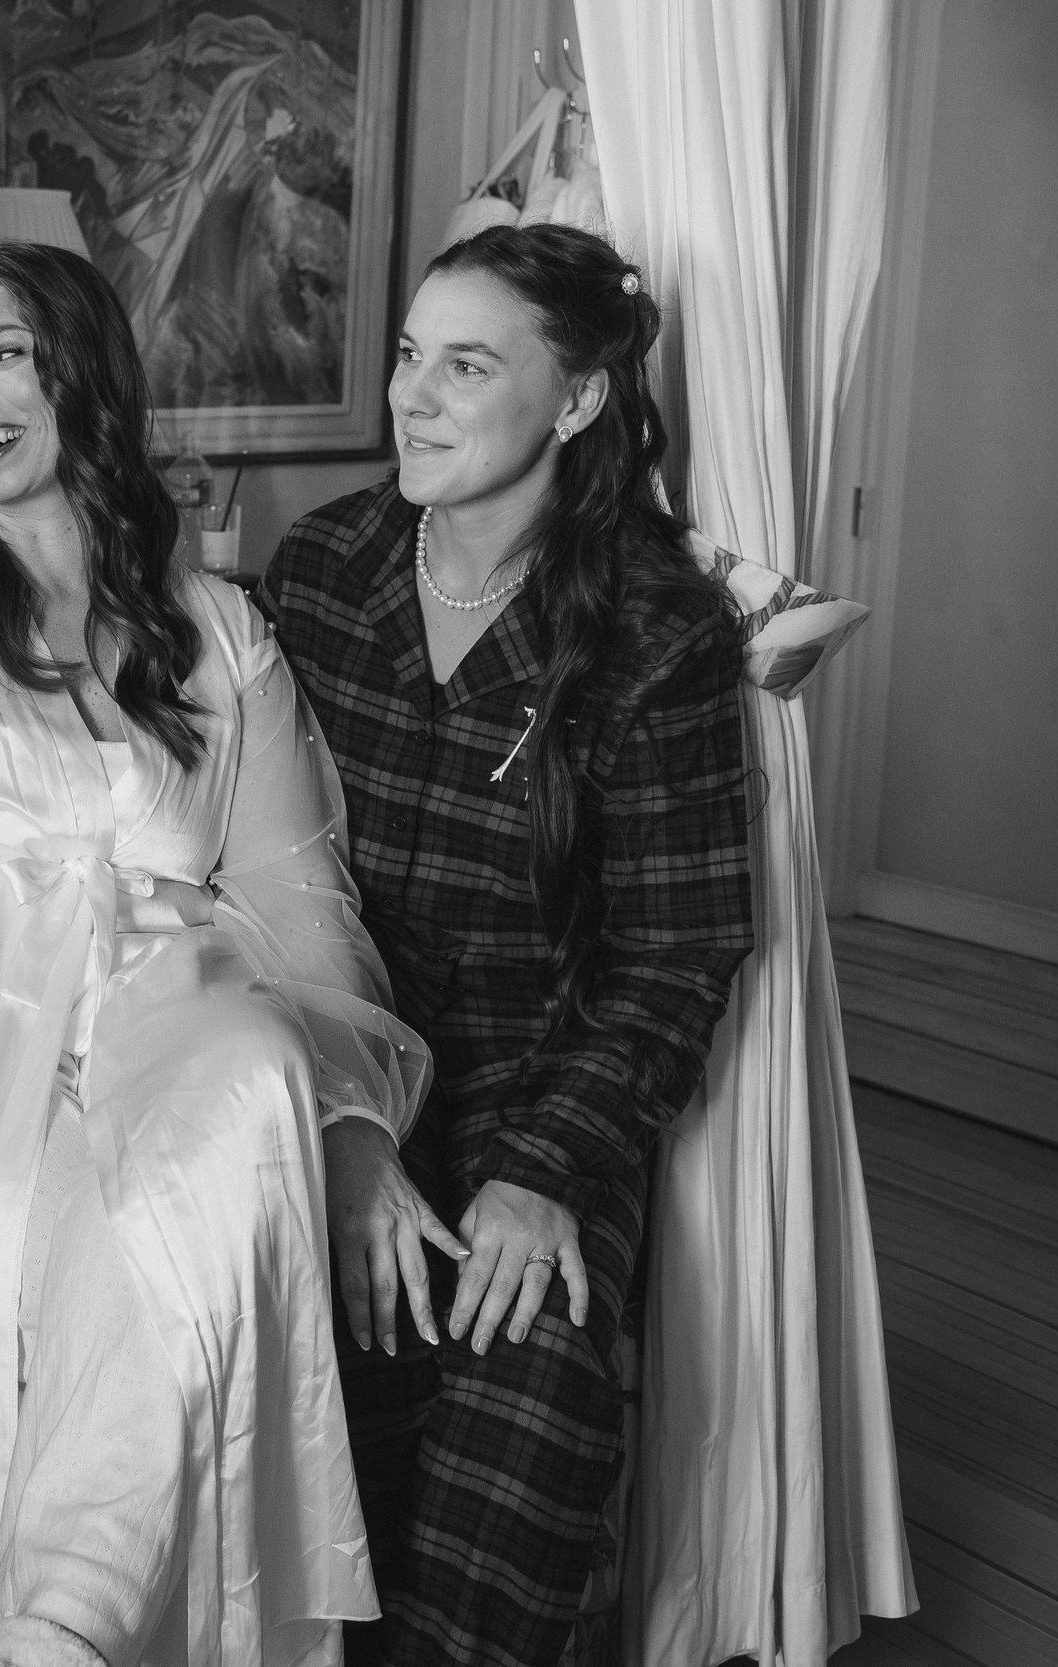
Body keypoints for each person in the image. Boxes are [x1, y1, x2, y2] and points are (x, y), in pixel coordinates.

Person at [0, 241, 430, 1667]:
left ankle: (60, 1631)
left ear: (79, 371)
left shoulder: (220, 632)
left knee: (248, 1083)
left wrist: (357, 1128)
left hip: (178, 1004)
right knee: (98, 1219)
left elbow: (296, 904)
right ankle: (68, 1625)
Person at [259, 223, 754, 1667]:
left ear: (581, 396)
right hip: (313, 1092)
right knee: (257, 1387)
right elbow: (241, 880)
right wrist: (339, 1126)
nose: (412, 395)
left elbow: (678, 956)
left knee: (523, 1421)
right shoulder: (320, 571)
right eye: (411, 356)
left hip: (527, 1122)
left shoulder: (657, 633)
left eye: (466, 364)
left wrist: (545, 1176)